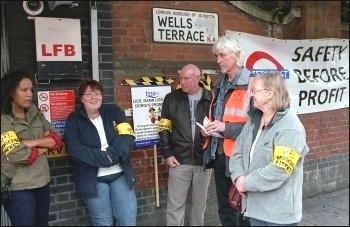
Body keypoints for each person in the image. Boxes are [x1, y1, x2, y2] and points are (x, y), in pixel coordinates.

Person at [229, 72, 309, 226]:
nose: (251, 94)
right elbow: (238, 151)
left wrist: (246, 183)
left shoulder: (290, 127)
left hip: (278, 216)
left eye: (255, 90)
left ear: (270, 93)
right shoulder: (253, 121)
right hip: (254, 210)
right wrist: (238, 177)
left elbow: (279, 170)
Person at [64, 78, 137, 226]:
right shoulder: (74, 119)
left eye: (97, 93)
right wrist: (104, 158)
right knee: (103, 223)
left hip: (119, 175)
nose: (94, 97)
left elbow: (127, 136)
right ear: (81, 98)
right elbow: (74, 148)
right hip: (93, 179)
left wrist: (112, 155)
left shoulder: (114, 111)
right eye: (89, 94)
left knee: (127, 221)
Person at [202, 33, 252, 226]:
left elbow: (257, 127)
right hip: (220, 155)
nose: (218, 60)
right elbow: (218, 117)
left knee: (242, 208)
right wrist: (209, 128)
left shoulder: (251, 85)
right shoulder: (218, 84)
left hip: (241, 157)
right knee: (225, 207)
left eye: (222, 55)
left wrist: (226, 127)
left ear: (236, 55)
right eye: (217, 56)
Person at [1, 68, 62, 226]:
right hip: (19, 187)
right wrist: (44, 144)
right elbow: (15, 153)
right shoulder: (4, 120)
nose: (29, 94)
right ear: (11, 92)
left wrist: (30, 143)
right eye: (24, 90)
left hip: (42, 181)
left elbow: (56, 139)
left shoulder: (35, 113)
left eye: (31, 90)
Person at [158, 64, 213, 226]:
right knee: (175, 207)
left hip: (204, 159)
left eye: (187, 78)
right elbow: (164, 127)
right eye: (181, 78)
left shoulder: (211, 98)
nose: (182, 82)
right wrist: (167, 152)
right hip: (178, 160)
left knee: (199, 206)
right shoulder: (171, 98)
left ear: (198, 78)